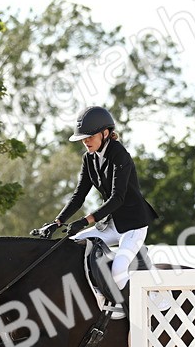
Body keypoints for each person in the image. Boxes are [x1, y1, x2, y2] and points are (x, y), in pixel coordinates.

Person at [48, 106, 158, 319]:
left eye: (89, 137)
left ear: (105, 133)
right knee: (72, 245)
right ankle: (97, 298)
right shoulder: (89, 159)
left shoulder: (120, 155)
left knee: (118, 271)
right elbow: (79, 195)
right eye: (83, 139)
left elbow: (117, 198)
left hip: (133, 225)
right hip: (112, 224)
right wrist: (58, 221)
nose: (85, 142)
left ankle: (138, 320)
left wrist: (85, 220)